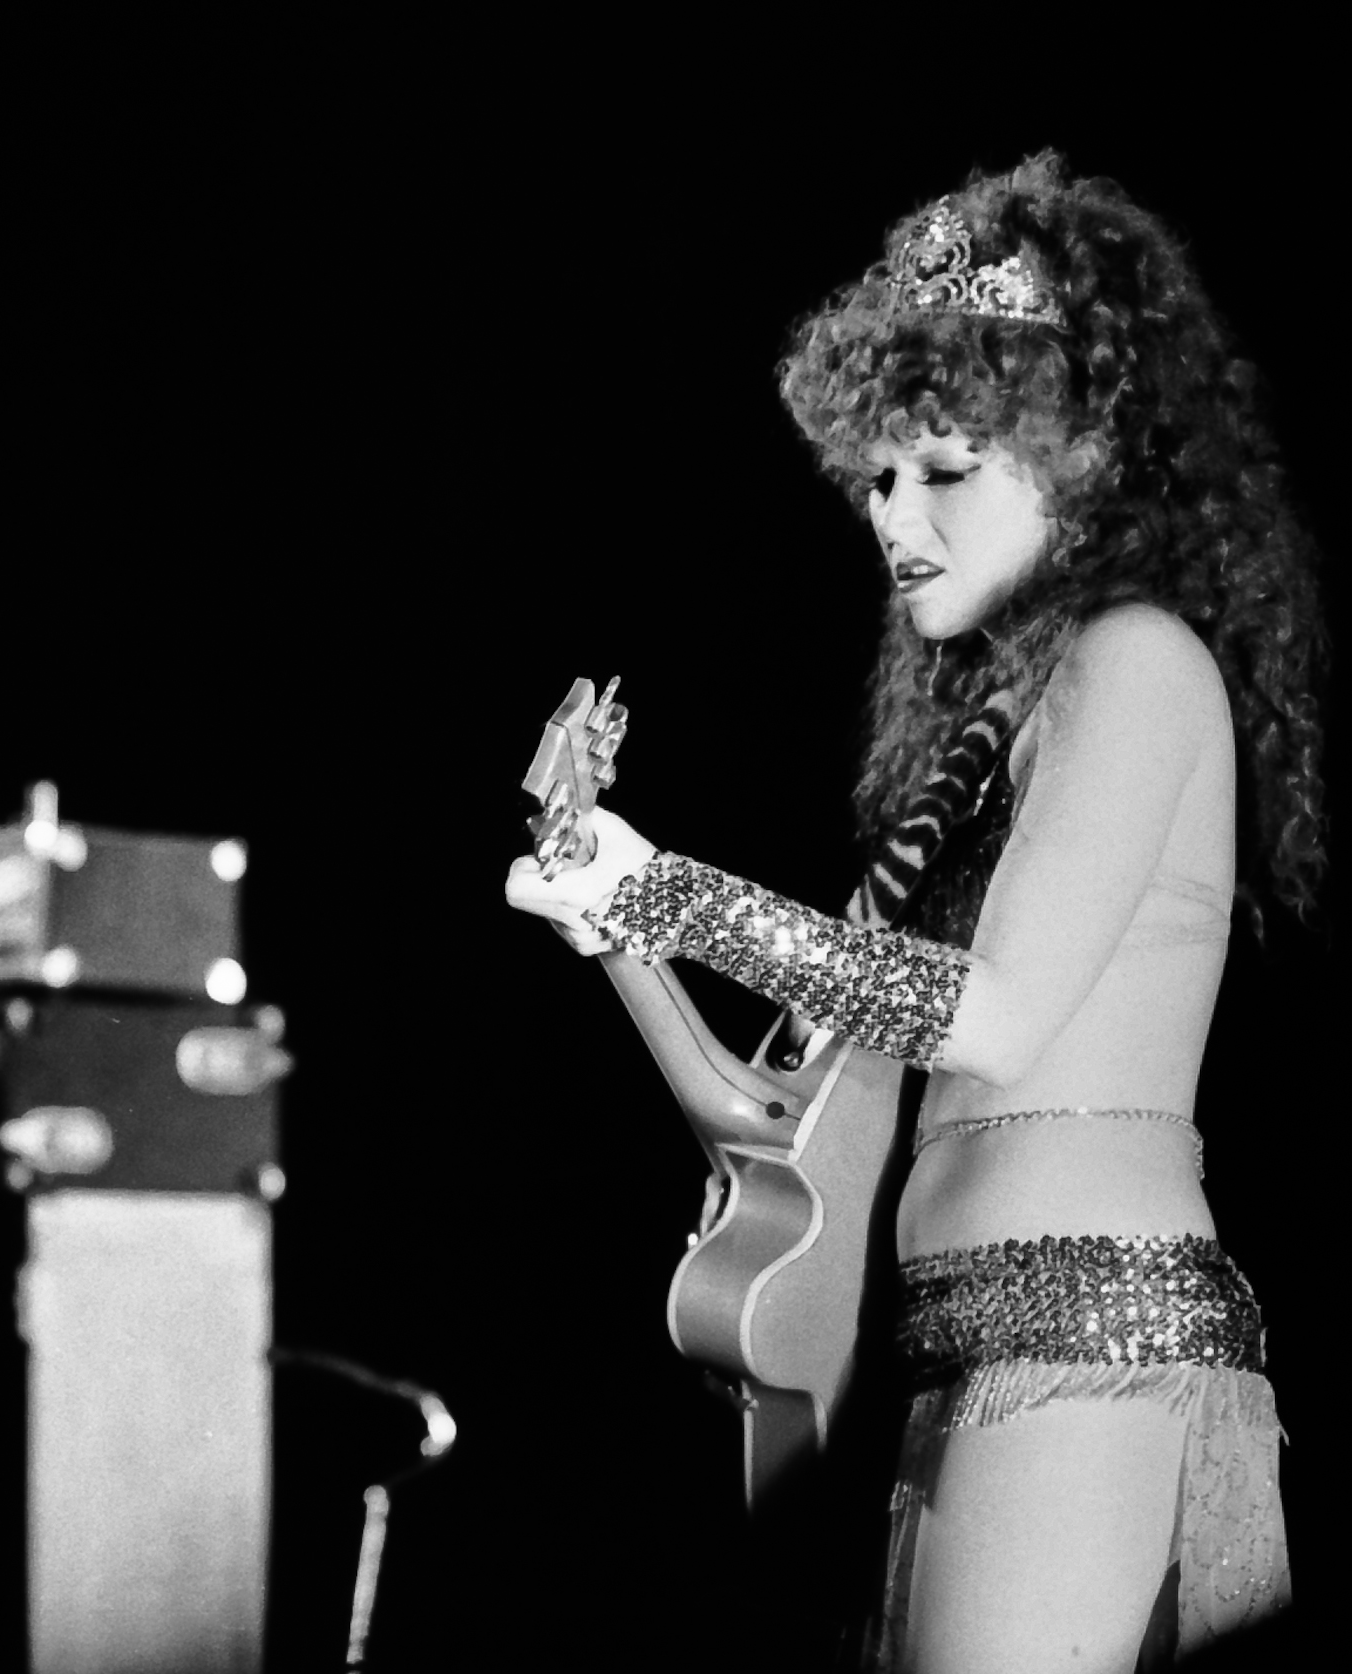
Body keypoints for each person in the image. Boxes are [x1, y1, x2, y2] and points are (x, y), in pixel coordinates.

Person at [506, 154, 1319, 1671]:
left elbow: (993, 1021)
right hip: (958, 1349)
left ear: (1082, 451)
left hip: (1085, 1339)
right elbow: (778, 1121)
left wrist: (667, 887)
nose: (896, 518)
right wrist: (612, 928)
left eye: (944, 471)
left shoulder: (1135, 659)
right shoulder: (981, 743)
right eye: (876, 481)